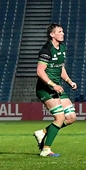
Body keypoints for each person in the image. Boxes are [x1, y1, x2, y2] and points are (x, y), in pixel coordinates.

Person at [32, 23, 78, 157]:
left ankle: (42, 132)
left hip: (56, 87)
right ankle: (46, 149)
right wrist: (52, 84)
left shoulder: (62, 47)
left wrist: (69, 81)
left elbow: (60, 67)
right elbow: (40, 71)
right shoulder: (46, 50)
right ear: (52, 34)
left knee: (71, 117)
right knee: (60, 118)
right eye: (59, 31)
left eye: (62, 31)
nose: (63, 33)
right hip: (45, 88)